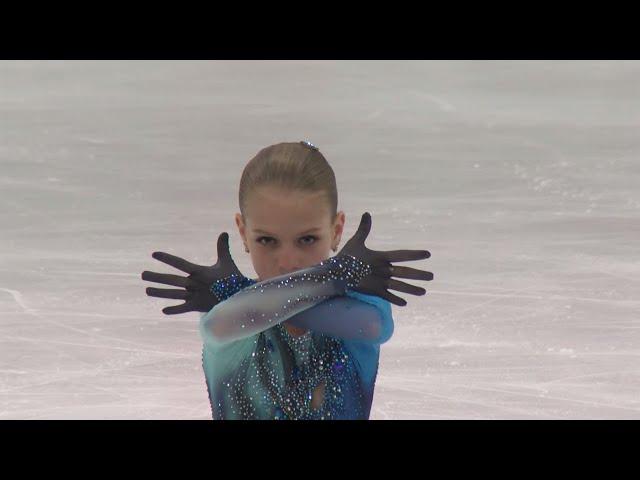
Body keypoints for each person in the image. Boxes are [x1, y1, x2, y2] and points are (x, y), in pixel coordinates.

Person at [142, 141, 433, 419]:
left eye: (307, 239)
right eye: (267, 240)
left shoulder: (362, 308)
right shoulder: (231, 315)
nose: (288, 262)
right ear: (243, 233)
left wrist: (241, 292)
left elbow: (371, 326)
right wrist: (336, 274)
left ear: (337, 229)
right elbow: (219, 326)